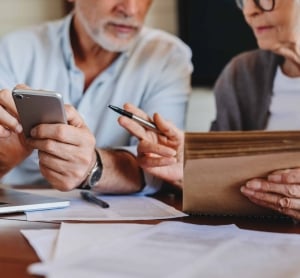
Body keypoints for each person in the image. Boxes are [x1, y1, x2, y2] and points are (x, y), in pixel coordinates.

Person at [119, 0, 300, 220]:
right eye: (244, 1)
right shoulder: (241, 75)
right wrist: (191, 168)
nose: (250, 11)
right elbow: (229, 189)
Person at [0, 0, 192, 195]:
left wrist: (93, 166)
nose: (131, 9)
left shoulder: (168, 57)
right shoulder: (12, 51)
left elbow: (160, 165)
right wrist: (8, 152)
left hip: (121, 219)